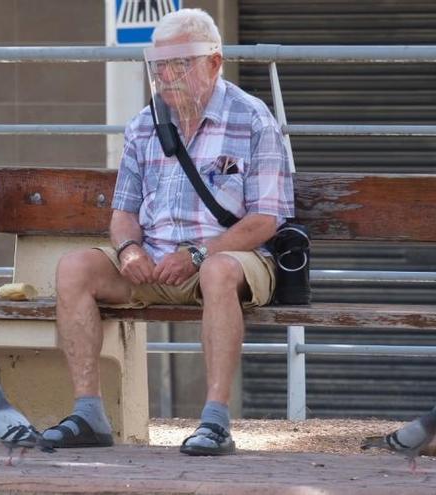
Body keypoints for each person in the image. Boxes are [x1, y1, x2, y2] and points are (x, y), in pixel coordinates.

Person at [41, 8, 294, 456]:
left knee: (217, 271)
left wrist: (197, 253)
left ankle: (215, 421)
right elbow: (123, 213)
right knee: (74, 267)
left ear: (214, 63)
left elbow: (265, 220)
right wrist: (129, 249)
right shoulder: (144, 124)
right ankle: (89, 413)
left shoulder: (252, 120)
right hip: (156, 261)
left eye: (181, 64)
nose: (167, 75)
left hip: (230, 257)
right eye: (160, 65)